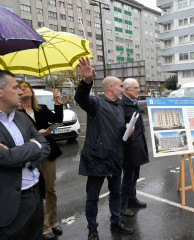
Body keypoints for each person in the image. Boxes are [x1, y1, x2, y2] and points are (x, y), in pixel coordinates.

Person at [74, 57, 134, 240]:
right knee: (93, 197)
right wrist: (86, 81)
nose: (123, 90)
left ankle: (116, 222)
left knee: (116, 193)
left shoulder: (118, 107)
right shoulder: (96, 104)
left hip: (115, 158)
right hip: (96, 159)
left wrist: (126, 129)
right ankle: (92, 229)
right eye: (120, 87)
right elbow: (80, 98)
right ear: (110, 88)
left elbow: (114, 128)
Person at [0, 70, 50, 240]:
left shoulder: (21, 117)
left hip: (35, 195)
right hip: (10, 204)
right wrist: (33, 146)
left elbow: (44, 145)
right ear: (0, 92)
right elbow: (7, 158)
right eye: (15, 87)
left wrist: (23, 154)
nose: (21, 91)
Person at [17, 81, 63, 240]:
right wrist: (37, 134)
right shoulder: (16, 112)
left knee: (50, 189)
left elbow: (58, 119)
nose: (22, 90)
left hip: (48, 152)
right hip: (30, 155)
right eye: (19, 88)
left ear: (31, 90)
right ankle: (44, 227)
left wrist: (57, 101)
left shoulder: (41, 108)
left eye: (25, 87)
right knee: (37, 191)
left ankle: (53, 222)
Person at [119, 78, 149, 217]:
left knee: (135, 176)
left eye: (138, 87)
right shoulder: (122, 104)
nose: (138, 90)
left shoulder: (134, 102)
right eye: (135, 88)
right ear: (126, 90)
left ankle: (132, 199)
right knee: (128, 178)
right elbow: (119, 126)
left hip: (137, 145)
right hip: (128, 147)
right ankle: (122, 206)